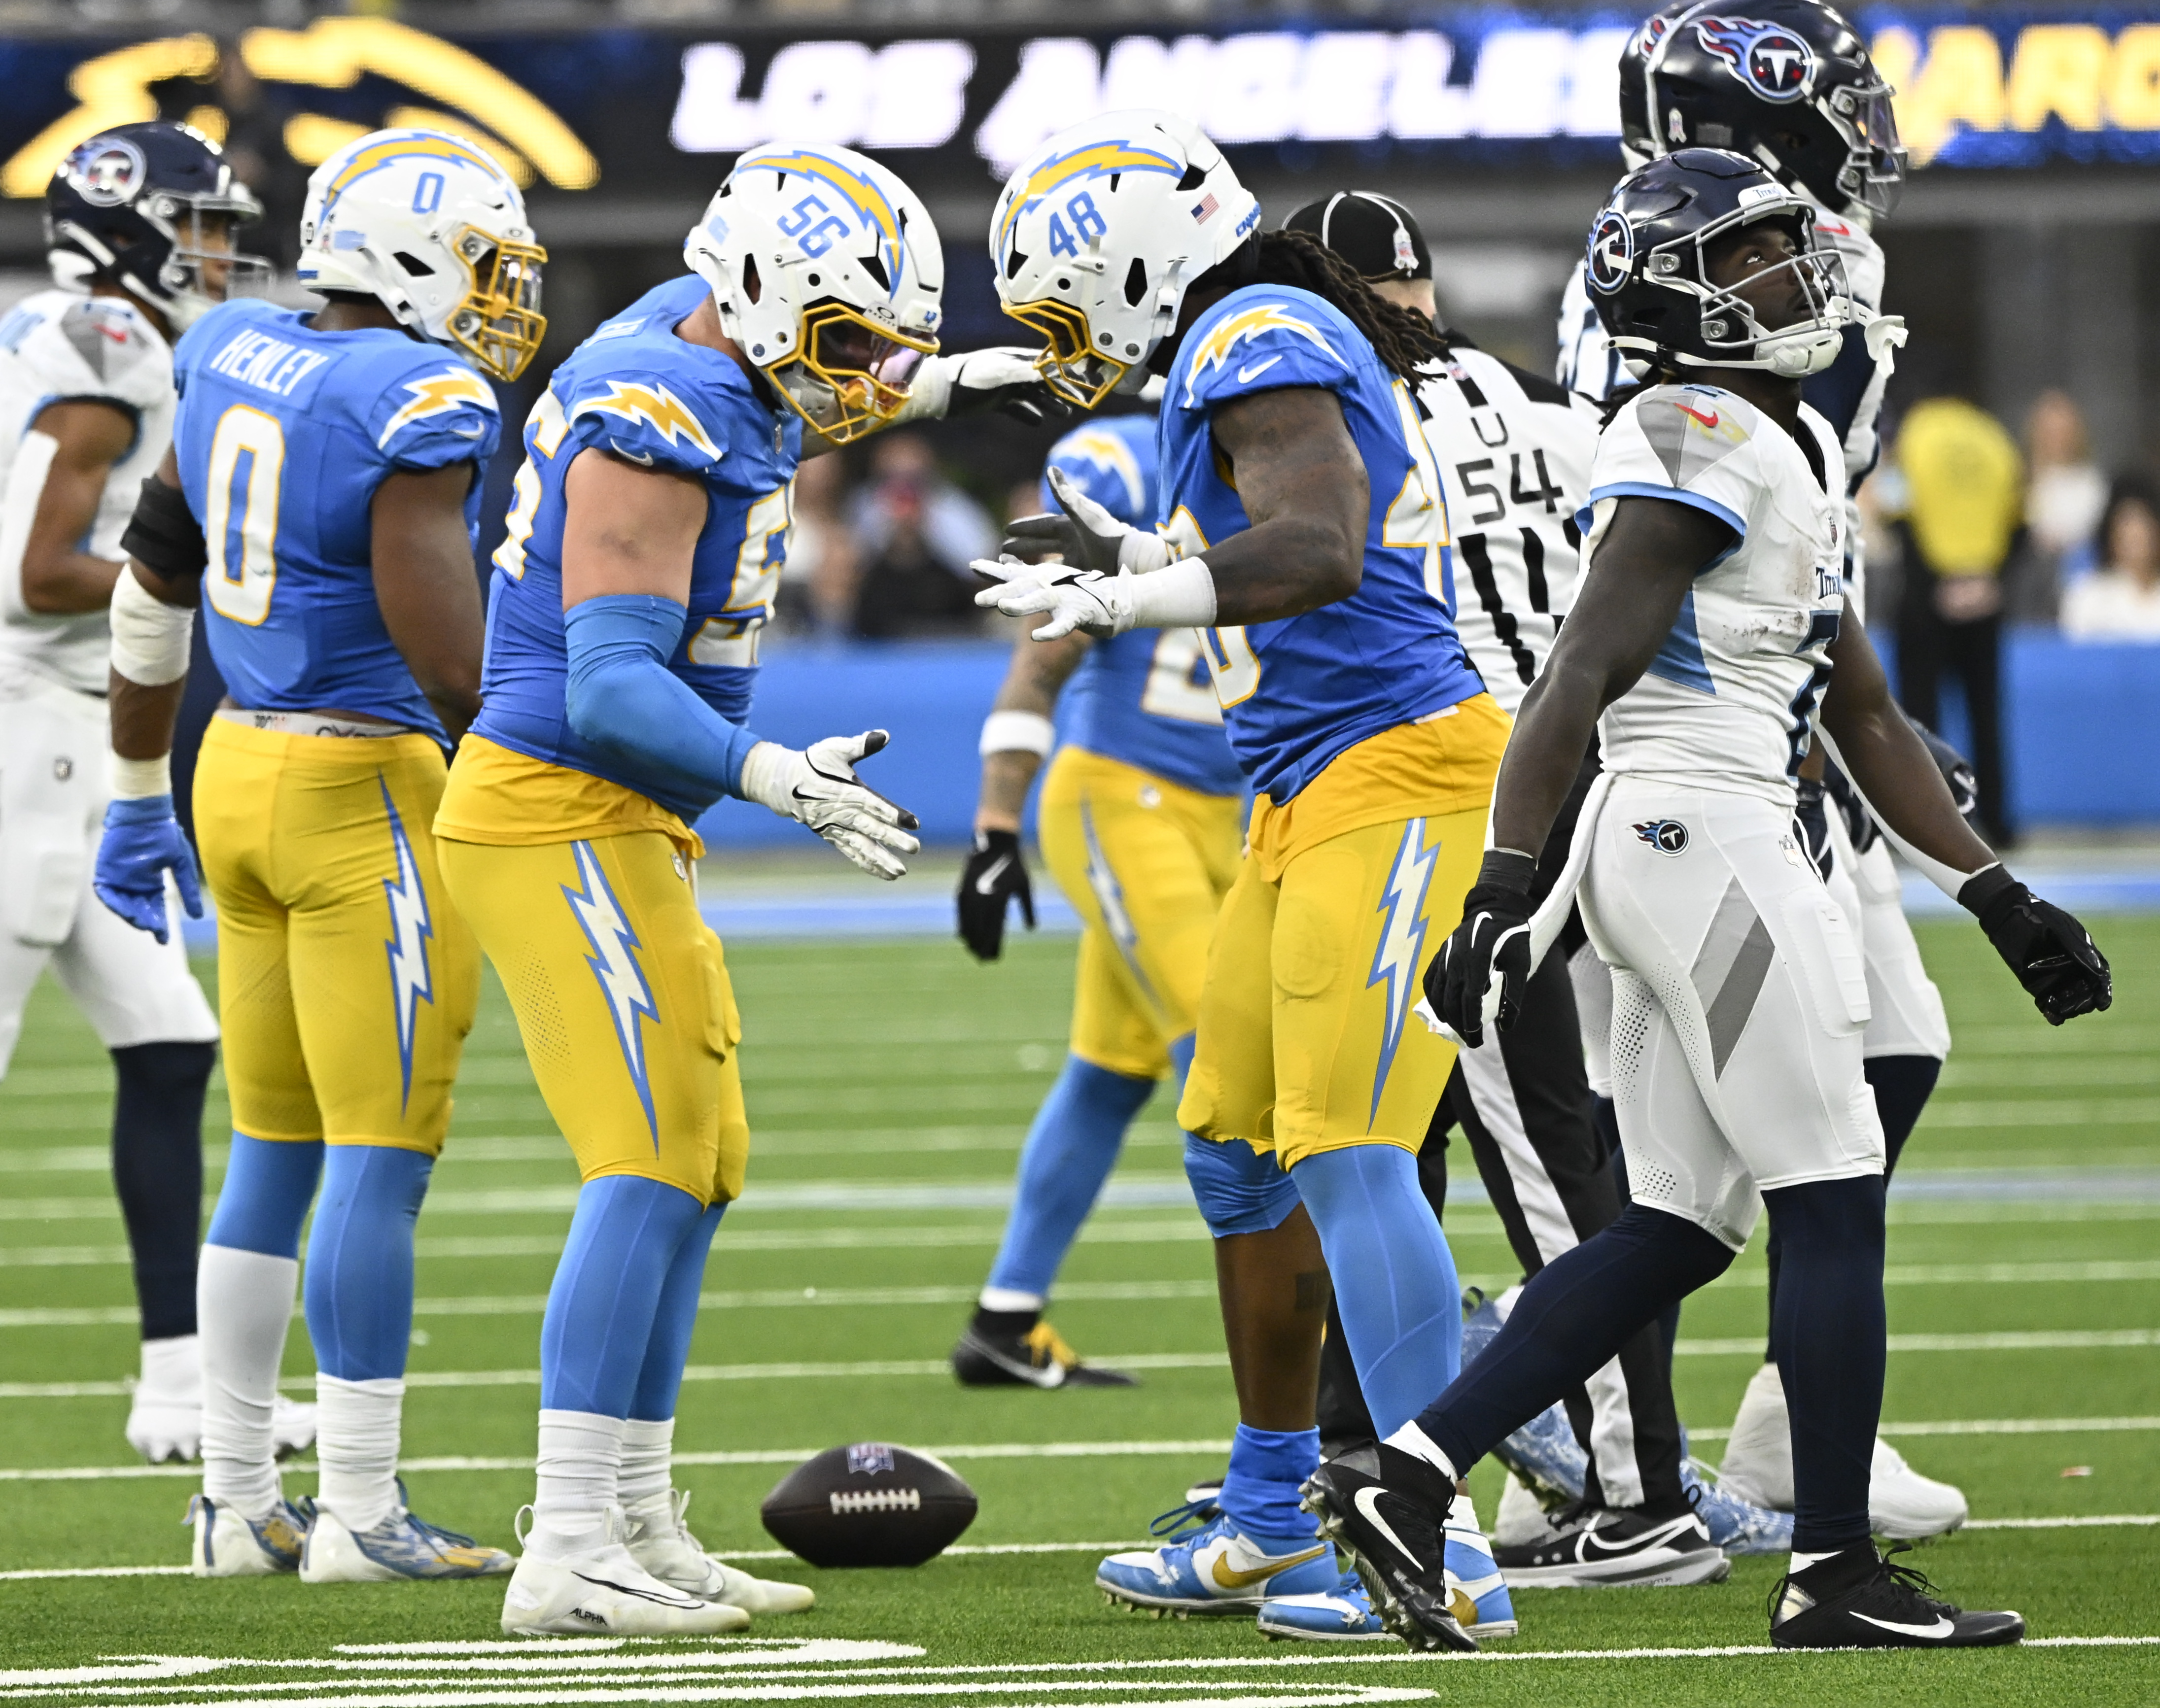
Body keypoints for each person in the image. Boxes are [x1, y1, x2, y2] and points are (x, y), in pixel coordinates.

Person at [1305, 147, 2110, 1654]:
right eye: (1747, 256)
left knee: (1675, 1221)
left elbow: (1862, 713)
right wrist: (1498, 886)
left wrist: (1995, 898)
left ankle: (1406, 1475)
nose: (1787, 276)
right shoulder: (1684, 425)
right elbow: (1577, 675)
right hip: (1699, 833)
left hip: (1698, 835)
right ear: (1672, 284)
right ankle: (1829, 1568)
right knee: (1826, 1189)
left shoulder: (1774, 436)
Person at [432, 139, 1060, 1636]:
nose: (866, 375)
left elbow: (831, 368)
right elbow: (601, 687)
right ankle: (570, 1538)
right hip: (556, 804)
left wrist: (963, 373)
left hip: (616, 816)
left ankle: (637, 1520)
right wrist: (779, 774)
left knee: (700, 1162)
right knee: (645, 1158)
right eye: (849, 339)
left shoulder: (714, 328)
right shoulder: (664, 409)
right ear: (769, 295)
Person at [975, 110, 1512, 1645]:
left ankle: (1431, 1541)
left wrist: (1125, 590)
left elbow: (1319, 546)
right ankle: (1278, 1511)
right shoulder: (1246, 331)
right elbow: (1262, 535)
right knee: (1232, 1148)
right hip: (1302, 784)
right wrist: (1110, 549)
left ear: (1129, 251)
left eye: (1066, 293)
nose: (1065, 335)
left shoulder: (1255, 323)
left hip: (1395, 771)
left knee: (1345, 1148)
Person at [1285, 188, 1773, 1587]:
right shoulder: (1520, 394)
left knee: (1537, 1155)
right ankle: (1354, 1444)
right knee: (1400, 1141)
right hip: (1549, 778)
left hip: (1469, 793)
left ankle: (1635, 1488)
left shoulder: (1358, 418)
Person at [94, 127, 545, 1584]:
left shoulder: (231, 344)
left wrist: (131, 788)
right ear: (412, 254)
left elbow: (157, 569)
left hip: (233, 777)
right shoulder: (414, 393)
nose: (496, 293)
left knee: (274, 1150)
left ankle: (236, 1503)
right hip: (365, 787)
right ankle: (356, 1505)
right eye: (481, 259)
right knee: (377, 1153)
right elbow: (447, 652)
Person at [1562, 0, 1969, 1544]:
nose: (1862, 120)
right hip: (1689, 750)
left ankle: (1783, 1432)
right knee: (1659, 1165)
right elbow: (1644, 562)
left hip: (1759, 715)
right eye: (1834, 93)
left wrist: (1845, 700)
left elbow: (1796, 528)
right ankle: (1609, 1461)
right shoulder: (1684, 270)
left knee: (1875, 1067)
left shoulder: (1785, 254)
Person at [0, 122, 297, 1468]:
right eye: (198, 224)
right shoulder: (108, 349)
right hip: (23, 740)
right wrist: (181, 568)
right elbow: (33, 569)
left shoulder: (67, 328)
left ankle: (178, 1385)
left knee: (172, 1047)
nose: (217, 251)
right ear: (128, 228)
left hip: (68, 739)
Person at [951, 412, 1246, 1391]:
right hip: (1126, 793)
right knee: (1235, 1056)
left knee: (1108, 1073)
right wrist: (997, 821)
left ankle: (1005, 1316)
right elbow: (1044, 652)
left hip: (1239, 811)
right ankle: (1325, 1344)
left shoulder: (1307, 441)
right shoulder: (1115, 461)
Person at [1888, 392, 2022, 844]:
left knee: (1920, 720)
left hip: (1928, 603)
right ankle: (1999, 825)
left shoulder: (1913, 434)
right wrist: (1988, 580)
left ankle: (1929, 823)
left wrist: (1935, 585)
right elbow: (2020, 521)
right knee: (1986, 716)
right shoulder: (1994, 437)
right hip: (1985, 599)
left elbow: (1897, 513)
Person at [2020, 389, 2106, 621]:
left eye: (2062, 430)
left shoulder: (2091, 484)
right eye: (2049, 430)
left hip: (2080, 579)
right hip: (2032, 586)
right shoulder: (2022, 483)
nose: (2056, 437)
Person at [2060, 475, 2160, 641]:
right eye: (2126, 527)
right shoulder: (2087, 595)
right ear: (2111, 535)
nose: (2136, 538)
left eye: (2144, 528)